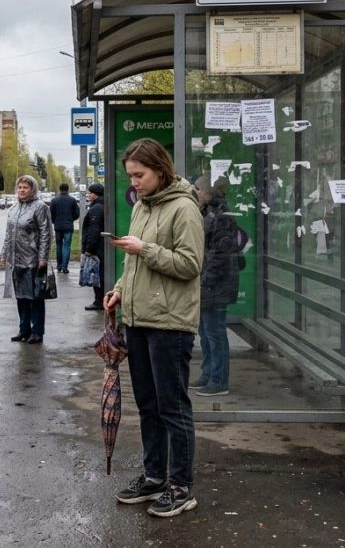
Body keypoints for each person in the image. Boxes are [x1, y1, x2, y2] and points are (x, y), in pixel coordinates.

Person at [105, 138, 204, 518]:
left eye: (140, 175)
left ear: (160, 170)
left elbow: (190, 264)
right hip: (138, 319)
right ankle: (154, 476)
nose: (134, 183)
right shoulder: (142, 208)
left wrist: (144, 249)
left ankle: (181, 486)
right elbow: (134, 268)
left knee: (172, 407)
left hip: (170, 323)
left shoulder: (184, 208)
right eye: (130, 176)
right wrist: (117, 291)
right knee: (148, 405)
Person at [191, 176, 239, 397]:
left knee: (214, 332)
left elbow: (219, 254)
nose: (195, 192)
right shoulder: (209, 213)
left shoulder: (219, 216)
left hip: (215, 284)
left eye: (198, 189)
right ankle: (209, 373)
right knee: (206, 331)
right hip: (209, 282)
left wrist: (206, 280)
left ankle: (218, 380)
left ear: (207, 192)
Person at [3, 175, 53, 344]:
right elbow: (9, 233)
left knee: (35, 297)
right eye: (20, 187)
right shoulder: (14, 207)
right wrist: (5, 254)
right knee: (21, 296)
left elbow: (46, 233)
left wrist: (43, 258)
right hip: (16, 259)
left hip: (33, 259)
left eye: (25, 187)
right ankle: (24, 329)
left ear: (33, 189)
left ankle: (37, 331)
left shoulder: (40, 207)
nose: (22, 190)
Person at [80, 182, 106, 310]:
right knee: (99, 274)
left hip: (97, 249)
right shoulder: (101, 206)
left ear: (96, 194)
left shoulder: (96, 209)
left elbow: (93, 230)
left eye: (90, 193)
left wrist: (89, 248)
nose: (88, 195)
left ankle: (99, 301)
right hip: (101, 246)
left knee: (97, 275)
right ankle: (100, 300)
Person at [49, 183, 80, 273]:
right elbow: (77, 214)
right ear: (68, 189)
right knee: (66, 245)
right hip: (68, 226)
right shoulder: (72, 200)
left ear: (60, 189)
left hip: (58, 226)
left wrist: (55, 221)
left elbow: (51, 214)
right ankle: (65, 267)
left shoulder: (54, 200)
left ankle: (59, 266)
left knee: (59, 245)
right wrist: (71, 219)